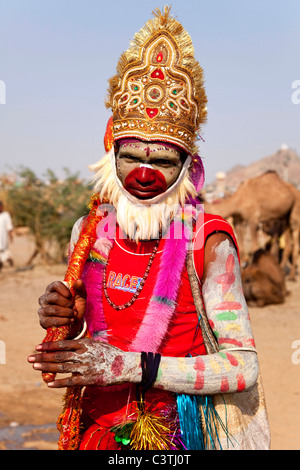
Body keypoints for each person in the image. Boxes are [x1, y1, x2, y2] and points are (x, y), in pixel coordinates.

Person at [28, 7, 270, 450]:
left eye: (161, 161)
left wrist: (134, 366)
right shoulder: (88, 231)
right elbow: (92, 331)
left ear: (186, 168)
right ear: (111, 156)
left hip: (177, 432)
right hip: (95, 424)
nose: (144, 174)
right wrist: (63, 317)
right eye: (131, 158)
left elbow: (242, 367)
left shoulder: (208, 241)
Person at [0, 200, 14, 270]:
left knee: (3, 251)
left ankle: (8, 259)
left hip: (3, 238)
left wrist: (11, 236)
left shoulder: (6, 215)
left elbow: (9, 227)